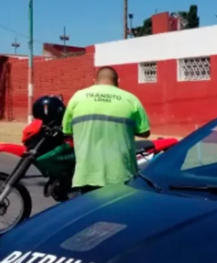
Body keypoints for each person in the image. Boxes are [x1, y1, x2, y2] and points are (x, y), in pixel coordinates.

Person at [62, 66, 151, 194]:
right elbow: (145, 132)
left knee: (90, 212)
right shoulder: (130, 99)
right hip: (122, 174)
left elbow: (67, 130)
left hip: (87, 174)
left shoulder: (78, 97)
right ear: (117, 81)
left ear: (95, 81)